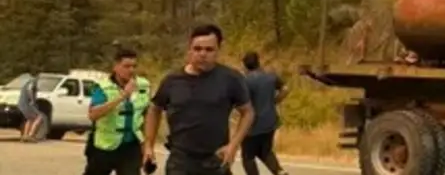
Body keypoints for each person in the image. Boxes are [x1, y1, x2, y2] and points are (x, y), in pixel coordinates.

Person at [143, 24, 255, 175]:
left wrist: (234, 145)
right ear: (189, 49)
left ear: (218, 50)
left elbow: (247, 112)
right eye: (197, 49)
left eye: (209, 49)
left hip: (216, 160)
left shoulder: (230, 78)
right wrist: (149, 145)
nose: (203, 54)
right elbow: (154, 109)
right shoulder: (172, 80)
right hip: (181, 161)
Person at [84, 48, 151, 175]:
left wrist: (147, 145)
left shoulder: (143, 85)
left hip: (131, 145)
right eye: (126, 66)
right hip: (104, 145)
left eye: (134, 66)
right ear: (116, 67)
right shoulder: (103, 87)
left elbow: (147, 115)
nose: (131, 70)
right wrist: (122, 96)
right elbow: (93, 115)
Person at [241, 51, 290, 175]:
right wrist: (275, 100)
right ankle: (279, 172)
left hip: (252, 125)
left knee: (248, 156)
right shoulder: (271, 77)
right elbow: (285, 89)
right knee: (266, 151)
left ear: (245, 65)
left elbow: (243, 102)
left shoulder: (246, 82)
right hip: (270, 122)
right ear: (258, 62)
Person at [17, 72, 44, 142]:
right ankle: (31, 135)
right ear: (37, 75)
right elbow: (30, 89)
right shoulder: (33, 81)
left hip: (22, 103)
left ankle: (25, 136)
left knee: (30, 118)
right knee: (39, 117)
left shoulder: (27, 81)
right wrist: (32, 100)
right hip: (28, 103)